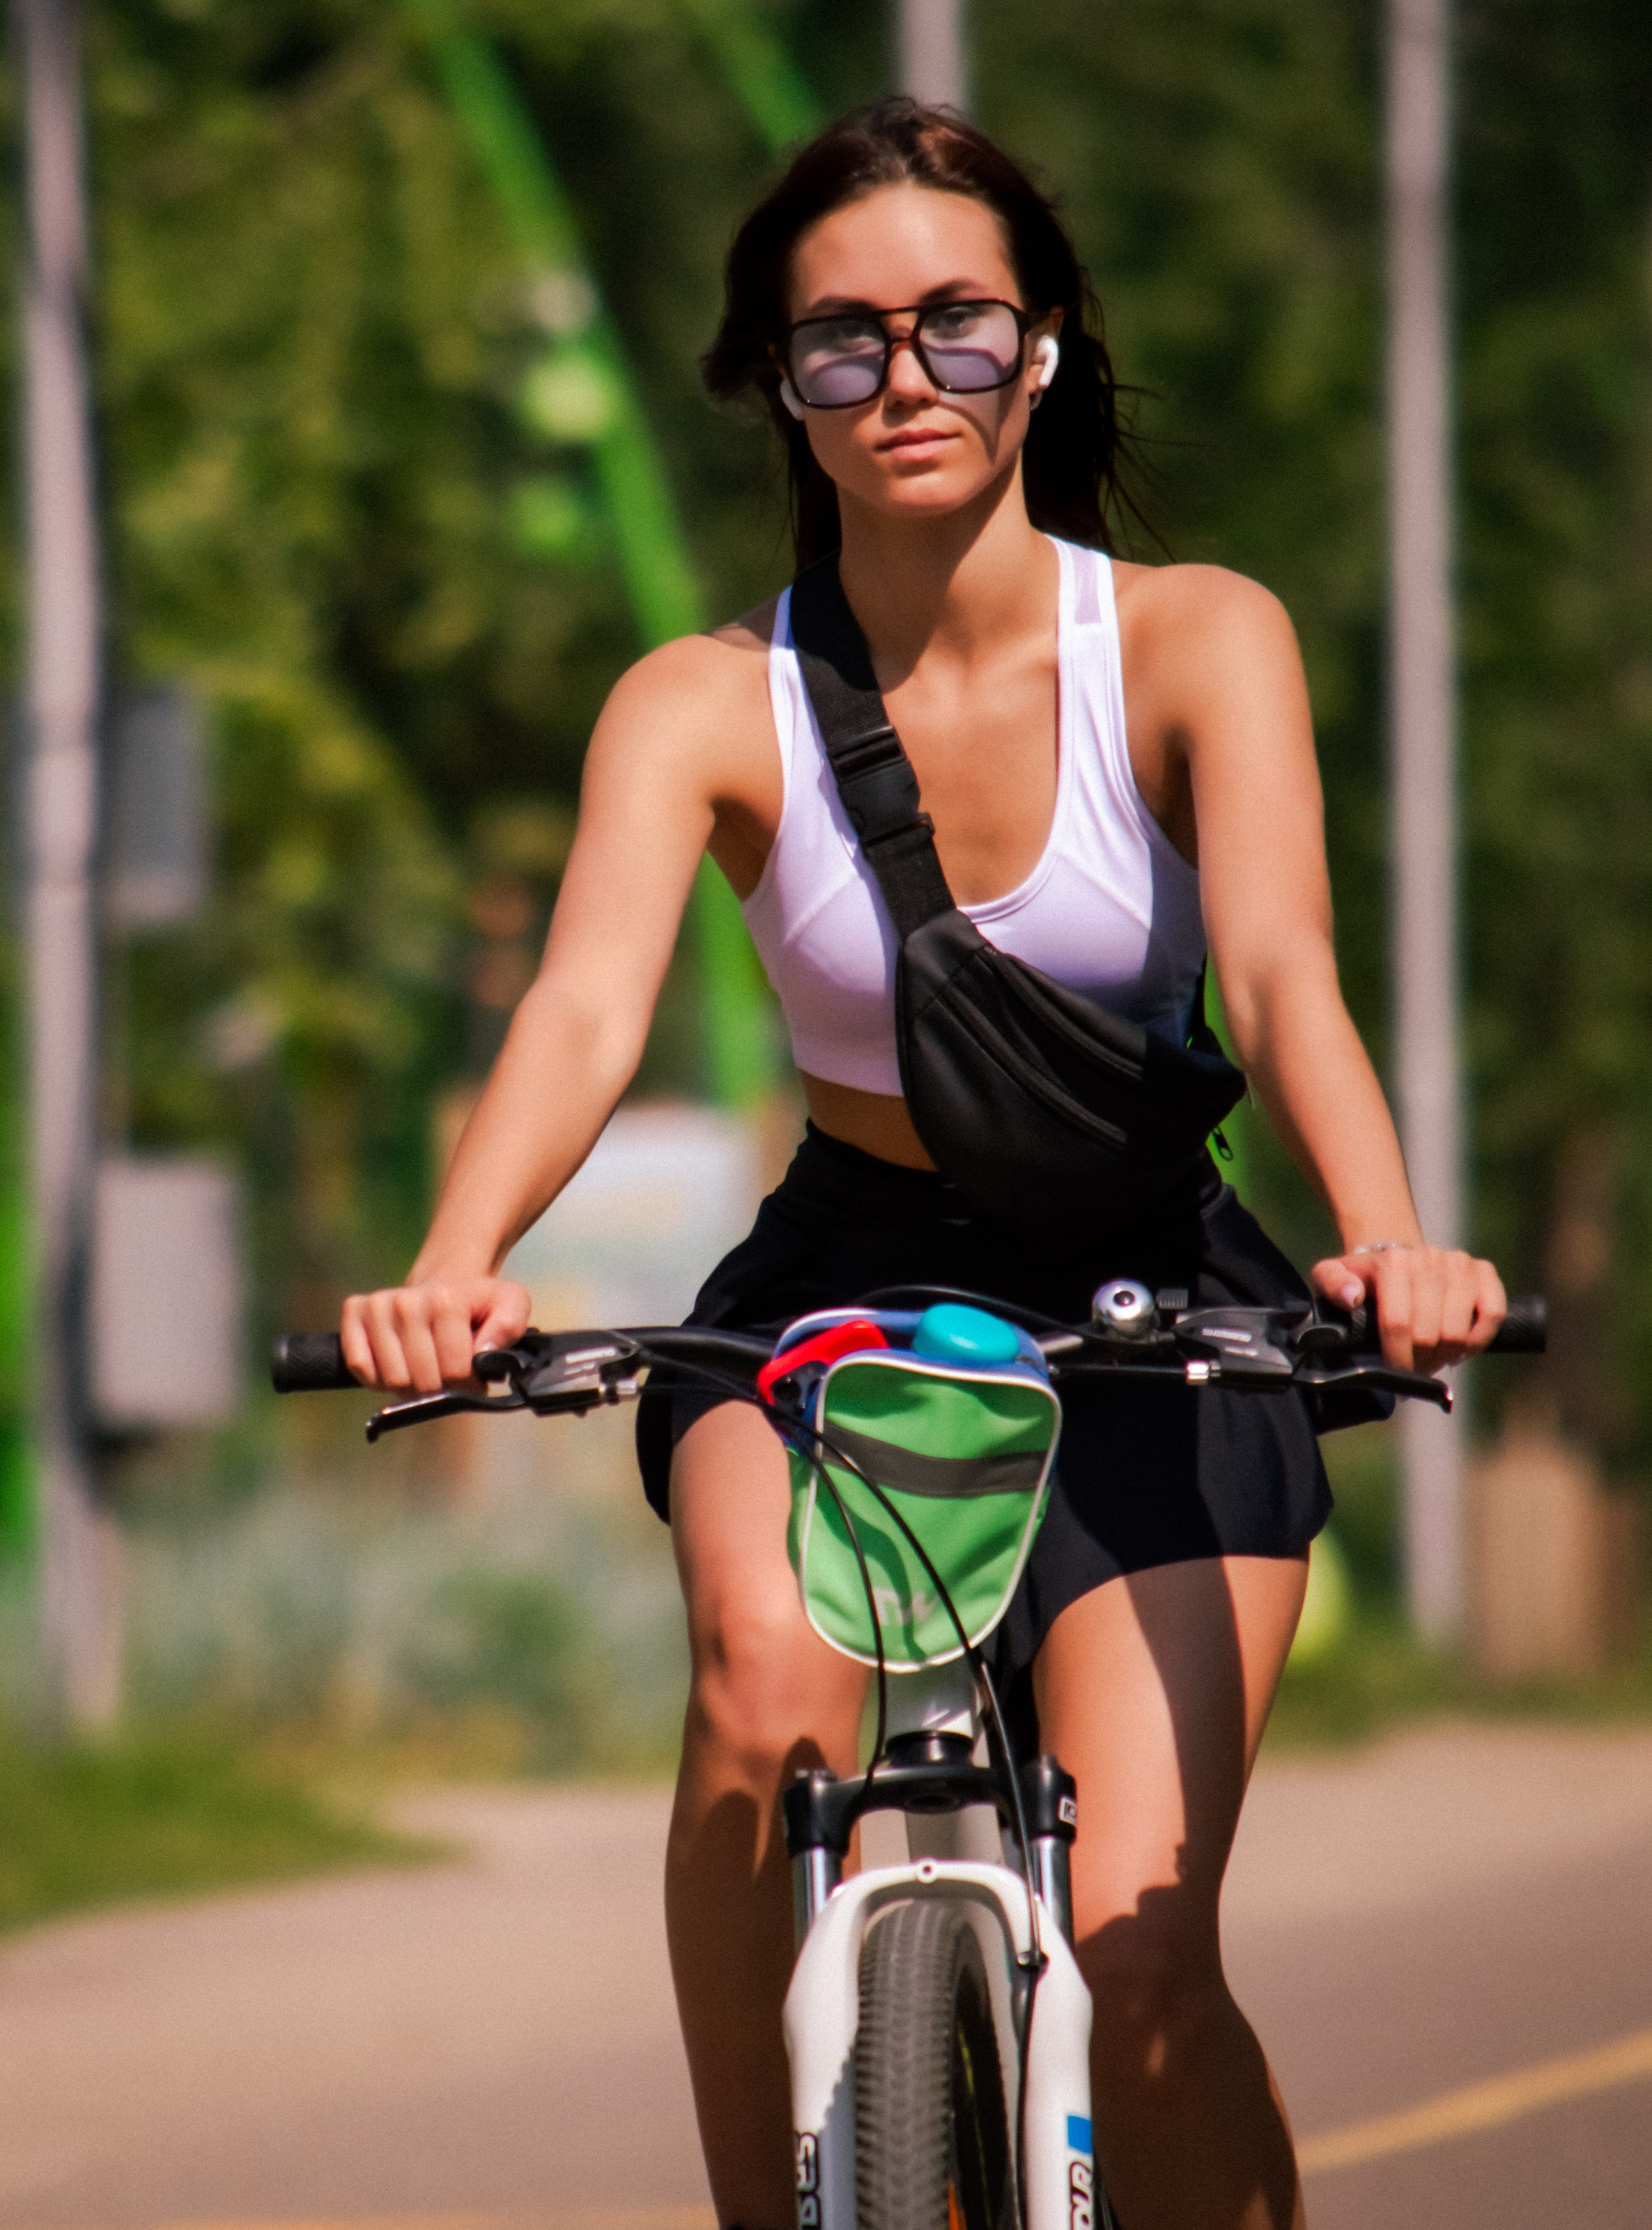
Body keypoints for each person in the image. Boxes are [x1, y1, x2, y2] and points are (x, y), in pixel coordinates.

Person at [341, 99, 1506, 2230]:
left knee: (1143, 1956)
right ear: (776, 382)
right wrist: (454, 1257)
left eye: (959, 325)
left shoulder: (1194, 640)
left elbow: (1282, 973)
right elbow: (584, 1011)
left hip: (1161, 1286)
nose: (906, 378)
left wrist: (1390, 1242)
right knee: (753, 1689)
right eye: (842, 339)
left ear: (1040, 350)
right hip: (841, 1278)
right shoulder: (702, 701)